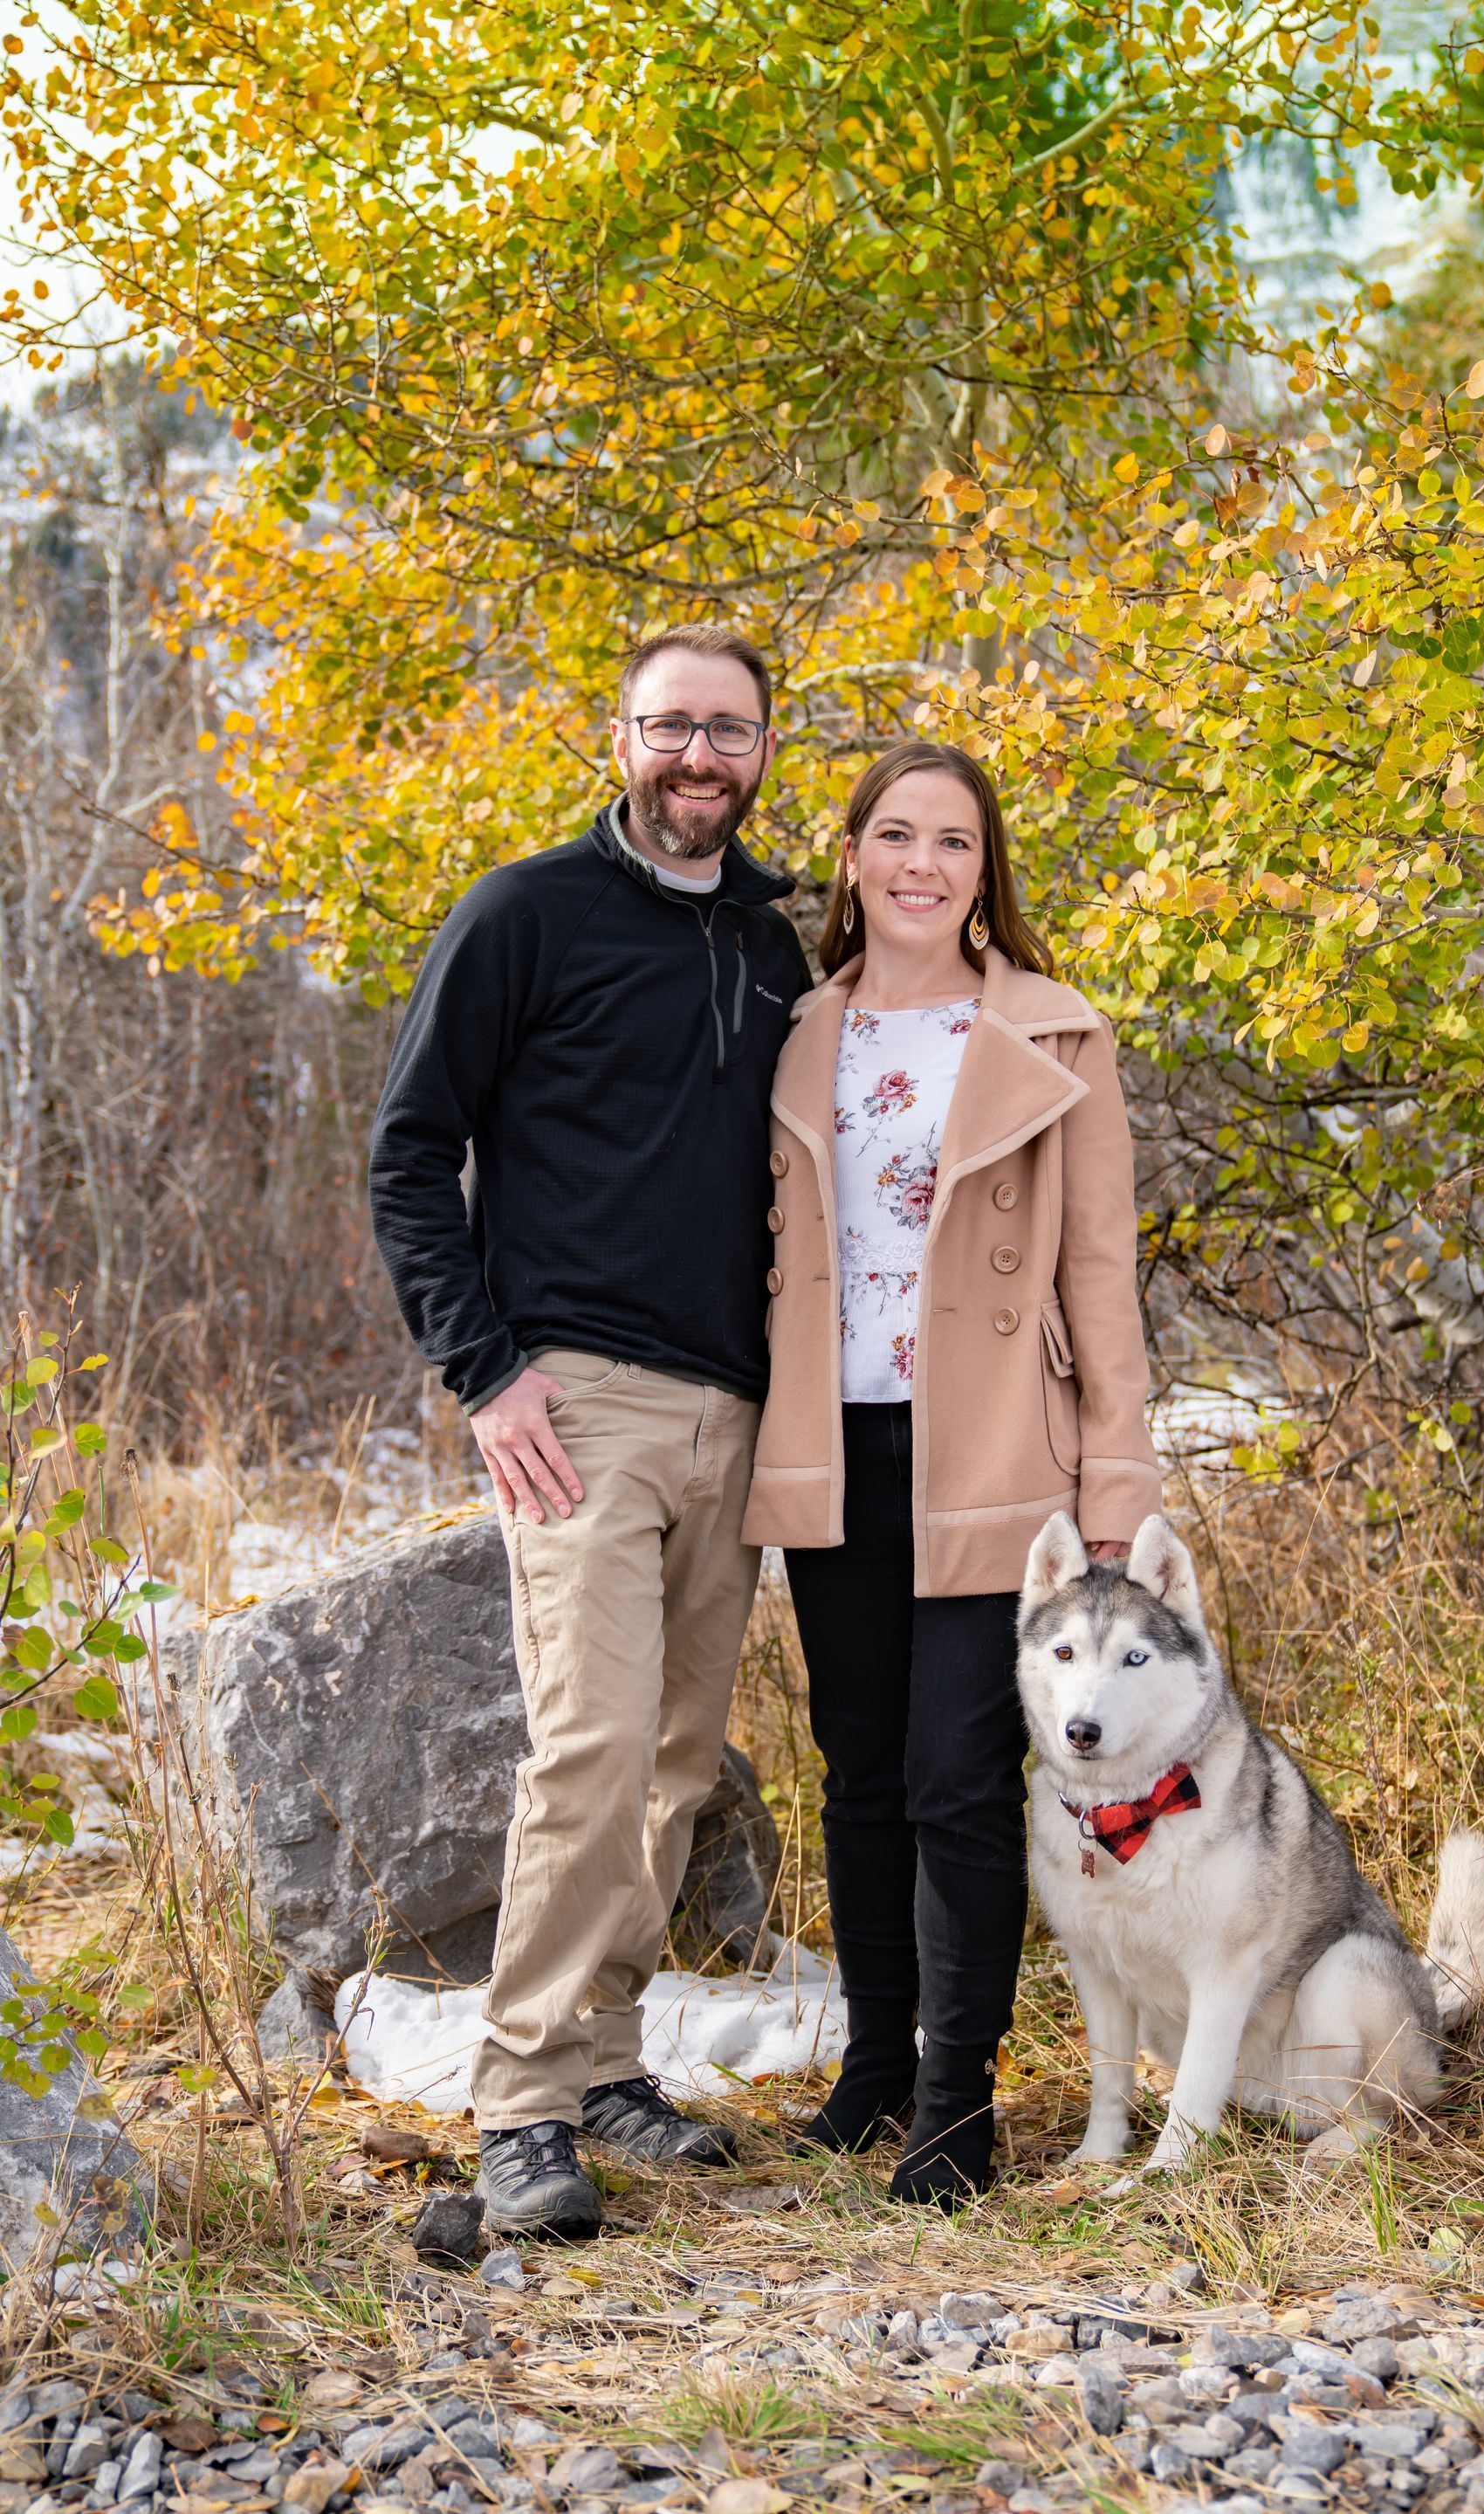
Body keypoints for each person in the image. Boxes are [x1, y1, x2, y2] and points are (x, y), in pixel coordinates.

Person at [368, 626, 810, 2240]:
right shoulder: (523, 915)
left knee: (679, 1755)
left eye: (733, 732)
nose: (703, 757)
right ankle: (521, 2103)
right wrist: (485, 1376)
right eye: (674, 727)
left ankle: (614, 2058)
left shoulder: (777, 944)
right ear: (615, 739)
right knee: (594, 1744)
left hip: (739, 1406)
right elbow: (412, 1155)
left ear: (767, 751)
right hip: (577, 1404)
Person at [742, 739, 1164, 2209]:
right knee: (857, 1774)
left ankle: (954, 2104)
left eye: (955, 843)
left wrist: (1117, 1479)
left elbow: (1101, 1273)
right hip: (832, 1440)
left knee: (958, 1779)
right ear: (852, 858)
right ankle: (869, 2072)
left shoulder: (1054, 1036)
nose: (923, 864)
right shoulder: (795, 1028)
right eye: (896, 836)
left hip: (995, 1448)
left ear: (987, 874)